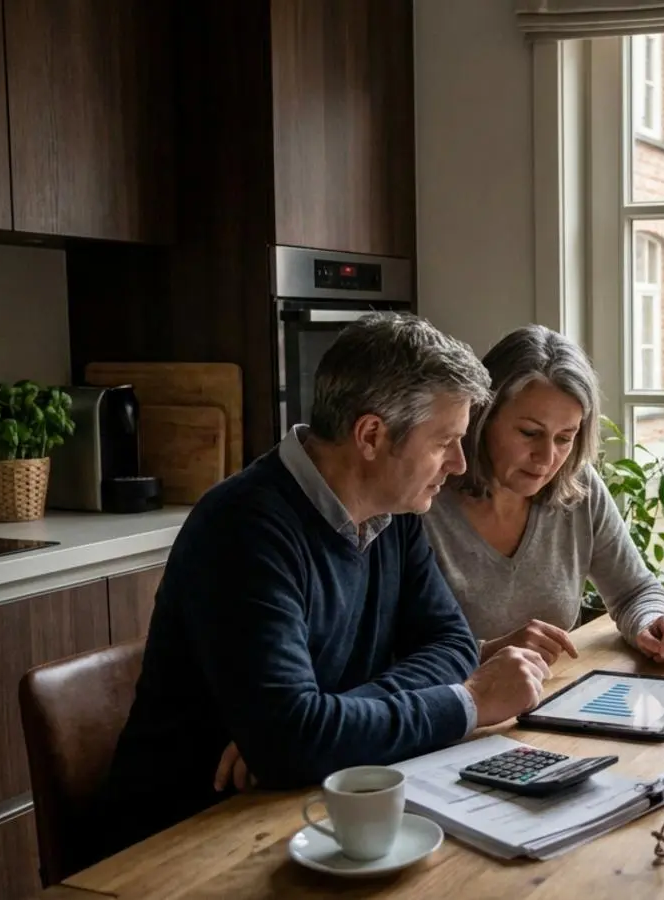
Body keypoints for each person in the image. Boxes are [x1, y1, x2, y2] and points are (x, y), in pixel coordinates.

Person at [95, 314, 551, 859]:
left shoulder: (395, 511)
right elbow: (293, 740)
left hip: (308, 804)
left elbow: (450, 644)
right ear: (371, 435)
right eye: (444, 442)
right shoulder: (243, 528)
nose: (457, 464)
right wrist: (468, 702)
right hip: (185, 841)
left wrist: (327, 720)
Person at [423, 324, 664, 667]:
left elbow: (634, 591)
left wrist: (652, 622)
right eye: (529, 432)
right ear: (481, 416)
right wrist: (488, 653)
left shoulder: (579, 486)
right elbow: (393, 653)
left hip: (555, 693)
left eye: (565, 438)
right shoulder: (424, 499)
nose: (547, 457)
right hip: (458, 700)